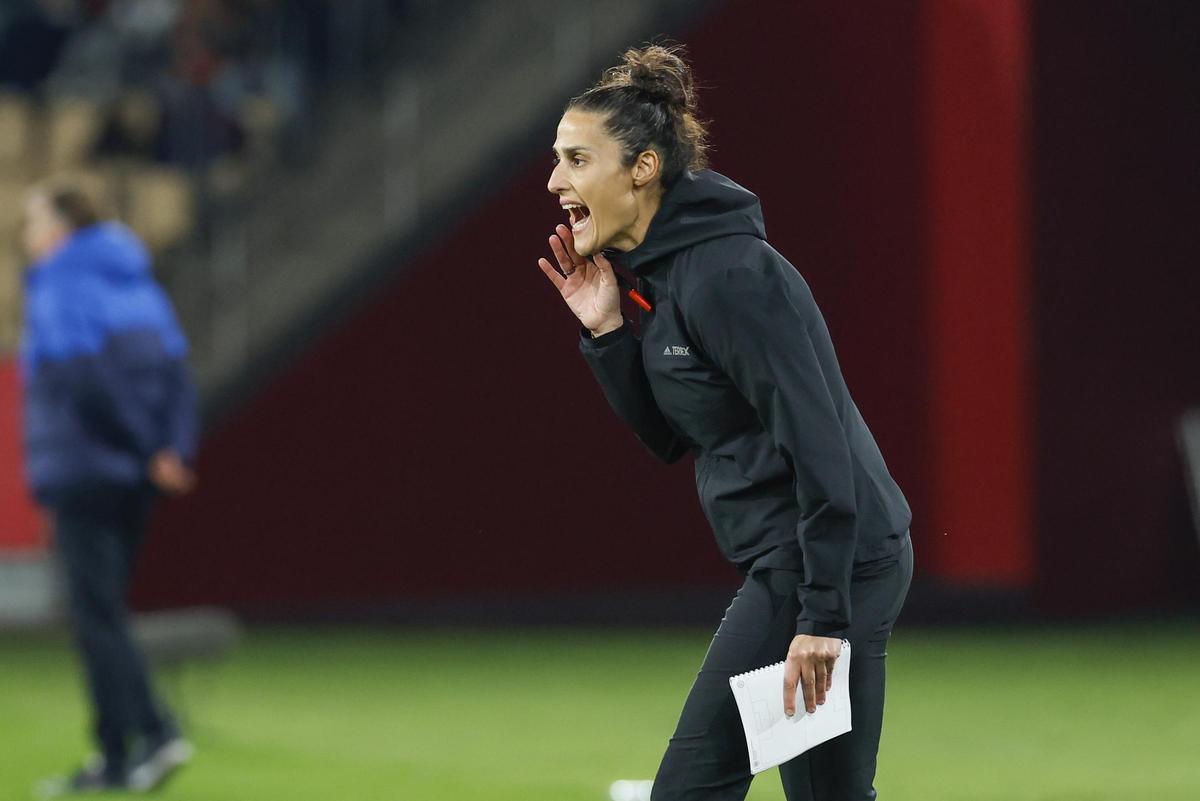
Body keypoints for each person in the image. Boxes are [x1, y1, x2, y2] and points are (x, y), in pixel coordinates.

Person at [536, 45, 914, 800]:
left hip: (825, 565)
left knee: (688, 790)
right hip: (820, 560)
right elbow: (677, 436)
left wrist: (821, 615)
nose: (555, 181)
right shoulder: (666, 278)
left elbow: (820, 443)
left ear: (642, 168)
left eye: (577, 159)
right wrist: (608, 334)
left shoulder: (731, 276)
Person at [20, 180, 198, 796]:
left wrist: (144, 450)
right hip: (137, 478)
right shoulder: (141, 286)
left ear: (62, 228)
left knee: (96, 617)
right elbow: (179, 377)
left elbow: (82, 381)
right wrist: (169, 450)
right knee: (106, 613)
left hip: (83, 469)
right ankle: (117, 757)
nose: (27, 234)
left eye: (34, 220)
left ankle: (155, 731)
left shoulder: (57, 286)